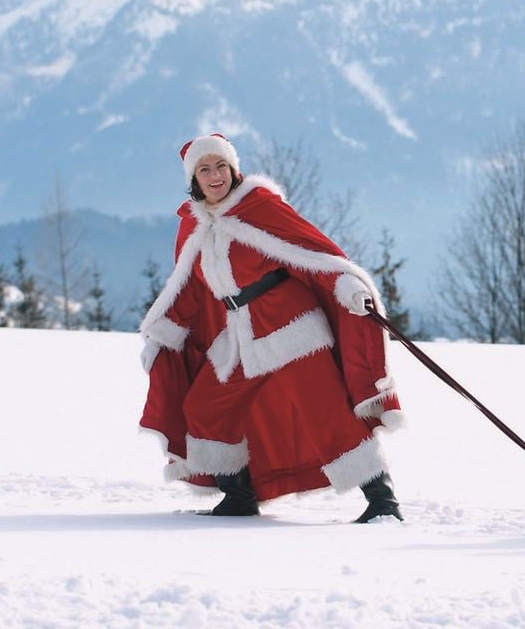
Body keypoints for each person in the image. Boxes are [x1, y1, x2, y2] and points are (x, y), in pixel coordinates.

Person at [138, 133, 406, 522]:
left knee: (325, 412)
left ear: (234, 170)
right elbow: (190, 289)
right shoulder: (196, 227)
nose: (215, 176)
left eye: (221, 167)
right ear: (193, 179)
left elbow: (312, 253)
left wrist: (346, 287)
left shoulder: (259, 207)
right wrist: (165, 333)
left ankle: (383, 502)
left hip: (290, 323)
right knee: (205, 406)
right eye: (205, 169)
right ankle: (239, 495)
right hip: (240, 334)